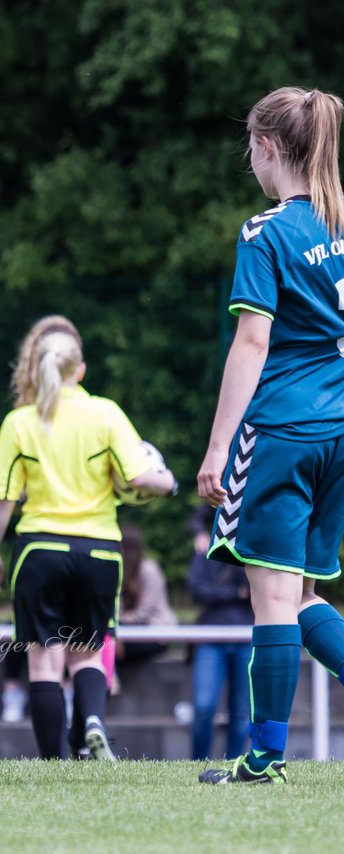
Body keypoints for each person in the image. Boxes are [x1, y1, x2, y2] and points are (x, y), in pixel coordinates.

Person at [196, 86, 344, 785]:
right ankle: (265, 754)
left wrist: (219, 446)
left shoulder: (266, 233)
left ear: (265, 148)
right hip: (339, 433)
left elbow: (252, 343)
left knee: (274, 599)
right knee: (306, 598)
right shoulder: (343, 226)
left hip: (284, 429)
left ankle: (263, 758)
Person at [0, 316, 176, 761]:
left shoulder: (20, 422)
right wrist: (172, 483)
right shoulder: (106, 413)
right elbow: (141, 475)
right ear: (80, 370)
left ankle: (54, 760)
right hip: (100, 549)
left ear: (37, 369)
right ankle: (91, 722)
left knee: (43, 660)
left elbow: (2, 497)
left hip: (40, 548)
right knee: (87, 654)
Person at [185, 505, 253, 761]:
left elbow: (254, 590)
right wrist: (234, 594)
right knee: (203, 708)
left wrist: (225, 592)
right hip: (210, 639)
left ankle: (236, 763)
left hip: (245, 638)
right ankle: (197, 763)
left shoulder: (251, 549)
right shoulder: (205, 550)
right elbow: (196, 590)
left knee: (241, 713)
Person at [111, 524, 178, 675]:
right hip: (130, 630)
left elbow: (144, 613)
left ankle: (110, 681)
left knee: (109, 644)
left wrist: (118, 620)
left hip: (156, 633)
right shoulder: (121, 569)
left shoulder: (148, 569)